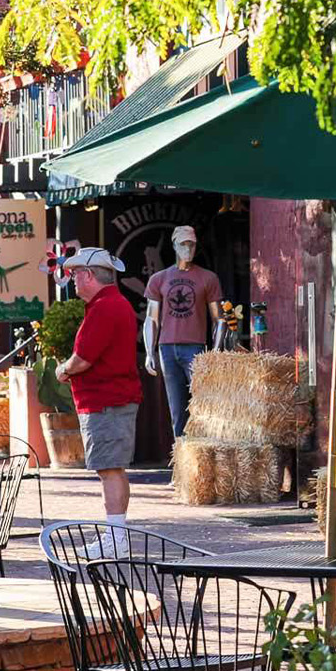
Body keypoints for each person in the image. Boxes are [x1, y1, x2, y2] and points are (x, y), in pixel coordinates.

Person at [55, 248, 142, 555]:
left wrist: (63, 369)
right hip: (111, 399)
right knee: (112, 468)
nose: (72, 280)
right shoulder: (112, 304)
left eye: (75, 274)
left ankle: (116, 540)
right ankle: (116, 536)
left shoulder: (105, 307)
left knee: (109, 469)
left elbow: (83, 359)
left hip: (107, 401)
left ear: (89, 275)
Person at [143, 226, 222, 438]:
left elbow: (219, 320)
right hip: (167, 348)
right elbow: (152, 318)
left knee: (202, 404)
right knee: (176, 409)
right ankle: (181, 457)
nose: (188, 248)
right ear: (174, 245)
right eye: (183, 244)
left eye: (192, 244)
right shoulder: (159, 279)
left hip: (195, 347)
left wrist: (214, 352)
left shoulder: (208, 278)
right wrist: (149, 352)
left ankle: (202, 452)